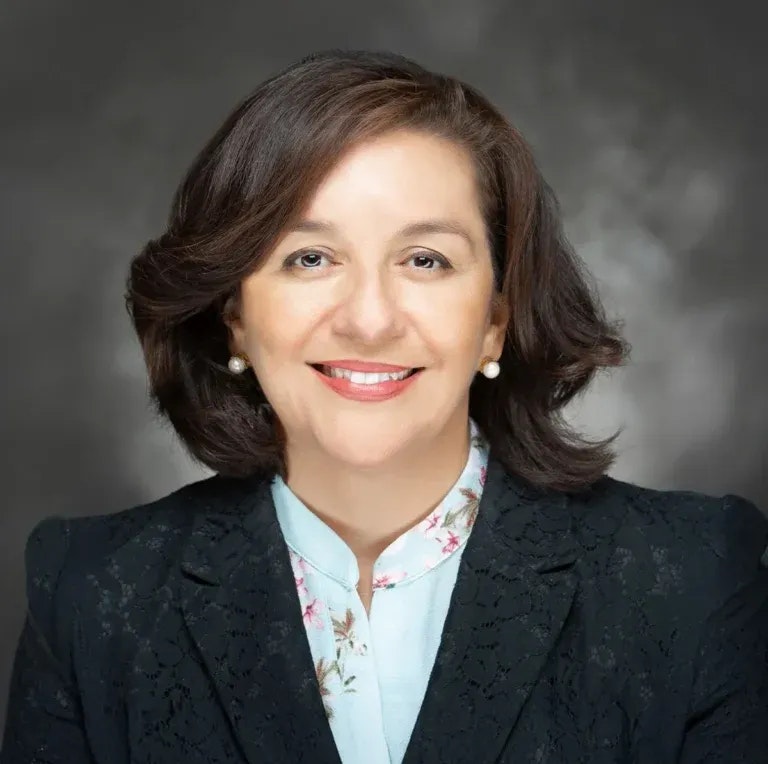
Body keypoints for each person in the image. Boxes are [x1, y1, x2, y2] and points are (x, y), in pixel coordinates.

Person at [2, 48, 767, 764]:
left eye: (425, 260)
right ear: (233, 313)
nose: (369, 319)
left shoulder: (696, 581)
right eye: (310, 258)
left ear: (496, 318)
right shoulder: (91, 597)